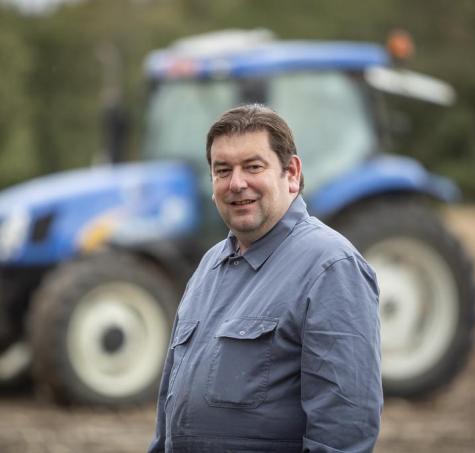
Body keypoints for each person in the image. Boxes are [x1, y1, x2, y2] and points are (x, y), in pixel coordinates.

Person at [148, 104, 382, 453]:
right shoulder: (209, 267)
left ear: (291, 173)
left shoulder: (330, 267)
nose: (237, 183)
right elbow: (170, 412)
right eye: (222, 170)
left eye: (253, 167)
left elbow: (344, 430)